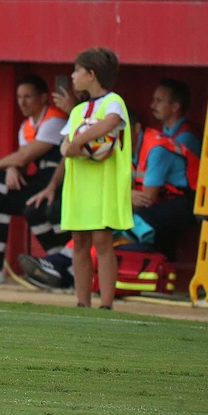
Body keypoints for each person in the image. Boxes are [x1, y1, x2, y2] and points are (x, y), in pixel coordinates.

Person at [0, 75, 72, 287]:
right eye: (19, 97)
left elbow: (26, 156)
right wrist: (10, 168)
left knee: (16, 193)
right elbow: (21, 160)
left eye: (28, 97)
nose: (22, 102)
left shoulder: (54, 120)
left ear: (44, 98)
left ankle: (60, 267)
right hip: (41, 181)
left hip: (61, 180)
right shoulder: (26, 125)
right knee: (3, 201)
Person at [58, 47, 133, 310]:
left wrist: (80, 141)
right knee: (79, 240)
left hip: (103, 183)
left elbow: (111, 122)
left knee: (102, 240)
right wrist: (71, 147)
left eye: (77, 70)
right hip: (80, 183)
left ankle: (107, 303)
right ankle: (82, 301)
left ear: (91, 74)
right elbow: (65, 144)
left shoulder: (113, 101)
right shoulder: (78, 111)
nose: (73, 75)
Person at [127, 79, 202, 259]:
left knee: (141, 217)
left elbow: (148, 198)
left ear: (175, 107)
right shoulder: (159, 135)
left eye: (159, 101)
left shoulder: (186, 137)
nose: (152, 105)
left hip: (190, 201)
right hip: (165, 199)